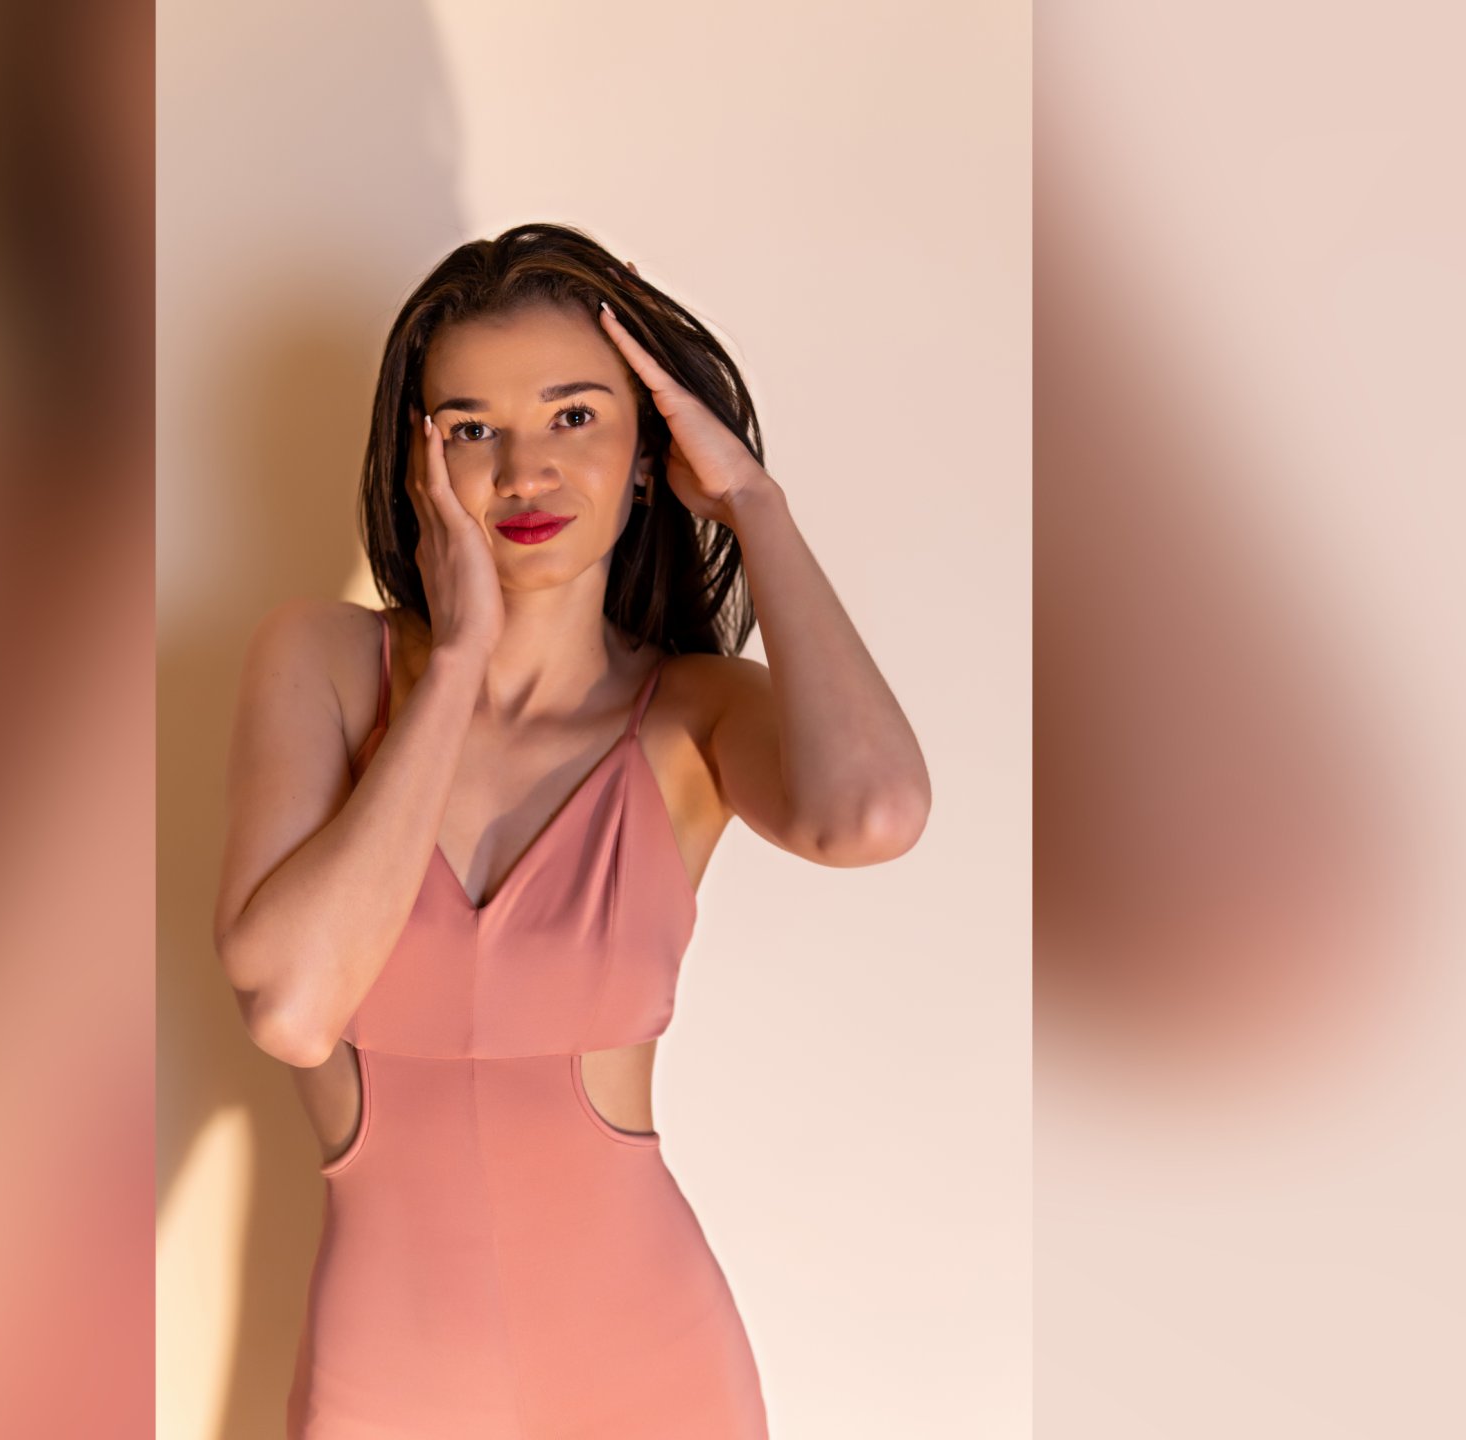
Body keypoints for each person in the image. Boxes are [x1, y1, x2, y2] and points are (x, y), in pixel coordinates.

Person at [214, 223, 930, 1438]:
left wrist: (754, 504)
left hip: (651, 1372)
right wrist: (457, 666)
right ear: (415, 463)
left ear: (649, 453)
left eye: (574, 416)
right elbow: (290, 1005)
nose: (523, 471)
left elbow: (874, 813)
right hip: (385, 1383)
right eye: (471, 428)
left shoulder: (694, 714)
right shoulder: (323, 663)